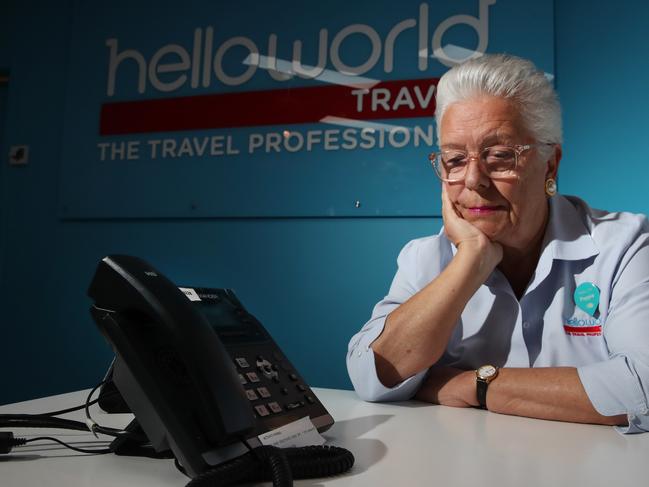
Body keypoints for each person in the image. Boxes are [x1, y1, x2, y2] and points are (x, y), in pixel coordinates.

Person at [347, 53, 649, 433]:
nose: (473, 180)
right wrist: (469, 261)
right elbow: (372, 375)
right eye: (455, 160)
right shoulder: (425, 257)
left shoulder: (625, 245)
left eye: (500, 156)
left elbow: (643, 386)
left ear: (550, 165)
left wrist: (476, 385)